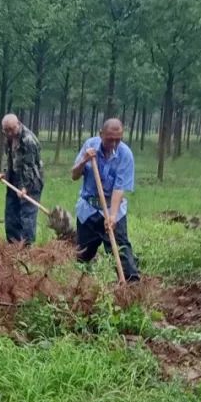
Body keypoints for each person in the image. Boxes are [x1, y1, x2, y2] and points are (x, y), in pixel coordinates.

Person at [70, 117, 141, 282]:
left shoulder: (125, 154)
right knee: (83, 255)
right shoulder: (89, 146)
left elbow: (119, 188)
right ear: (101, 134)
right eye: (110, 139)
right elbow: (74, 175)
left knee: (121, 252)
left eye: (118, 140)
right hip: (88, 211)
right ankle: (80, 287)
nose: (114, 144)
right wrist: (84, 160)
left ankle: (131, 288)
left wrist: (112, 216)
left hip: (112, 209)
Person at [0, 113, 44, 245]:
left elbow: (29, 167)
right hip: (14, 180)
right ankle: (13, 248)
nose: (10, 133)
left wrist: (25, 188)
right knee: (11, 215)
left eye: (12, 129)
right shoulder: (9, 138)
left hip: (32, 182)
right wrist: (5, 174)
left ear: (18, 124)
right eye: (6, 130)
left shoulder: (28, 140)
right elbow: (11, 158)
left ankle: (27, 250)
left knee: (27, 217)